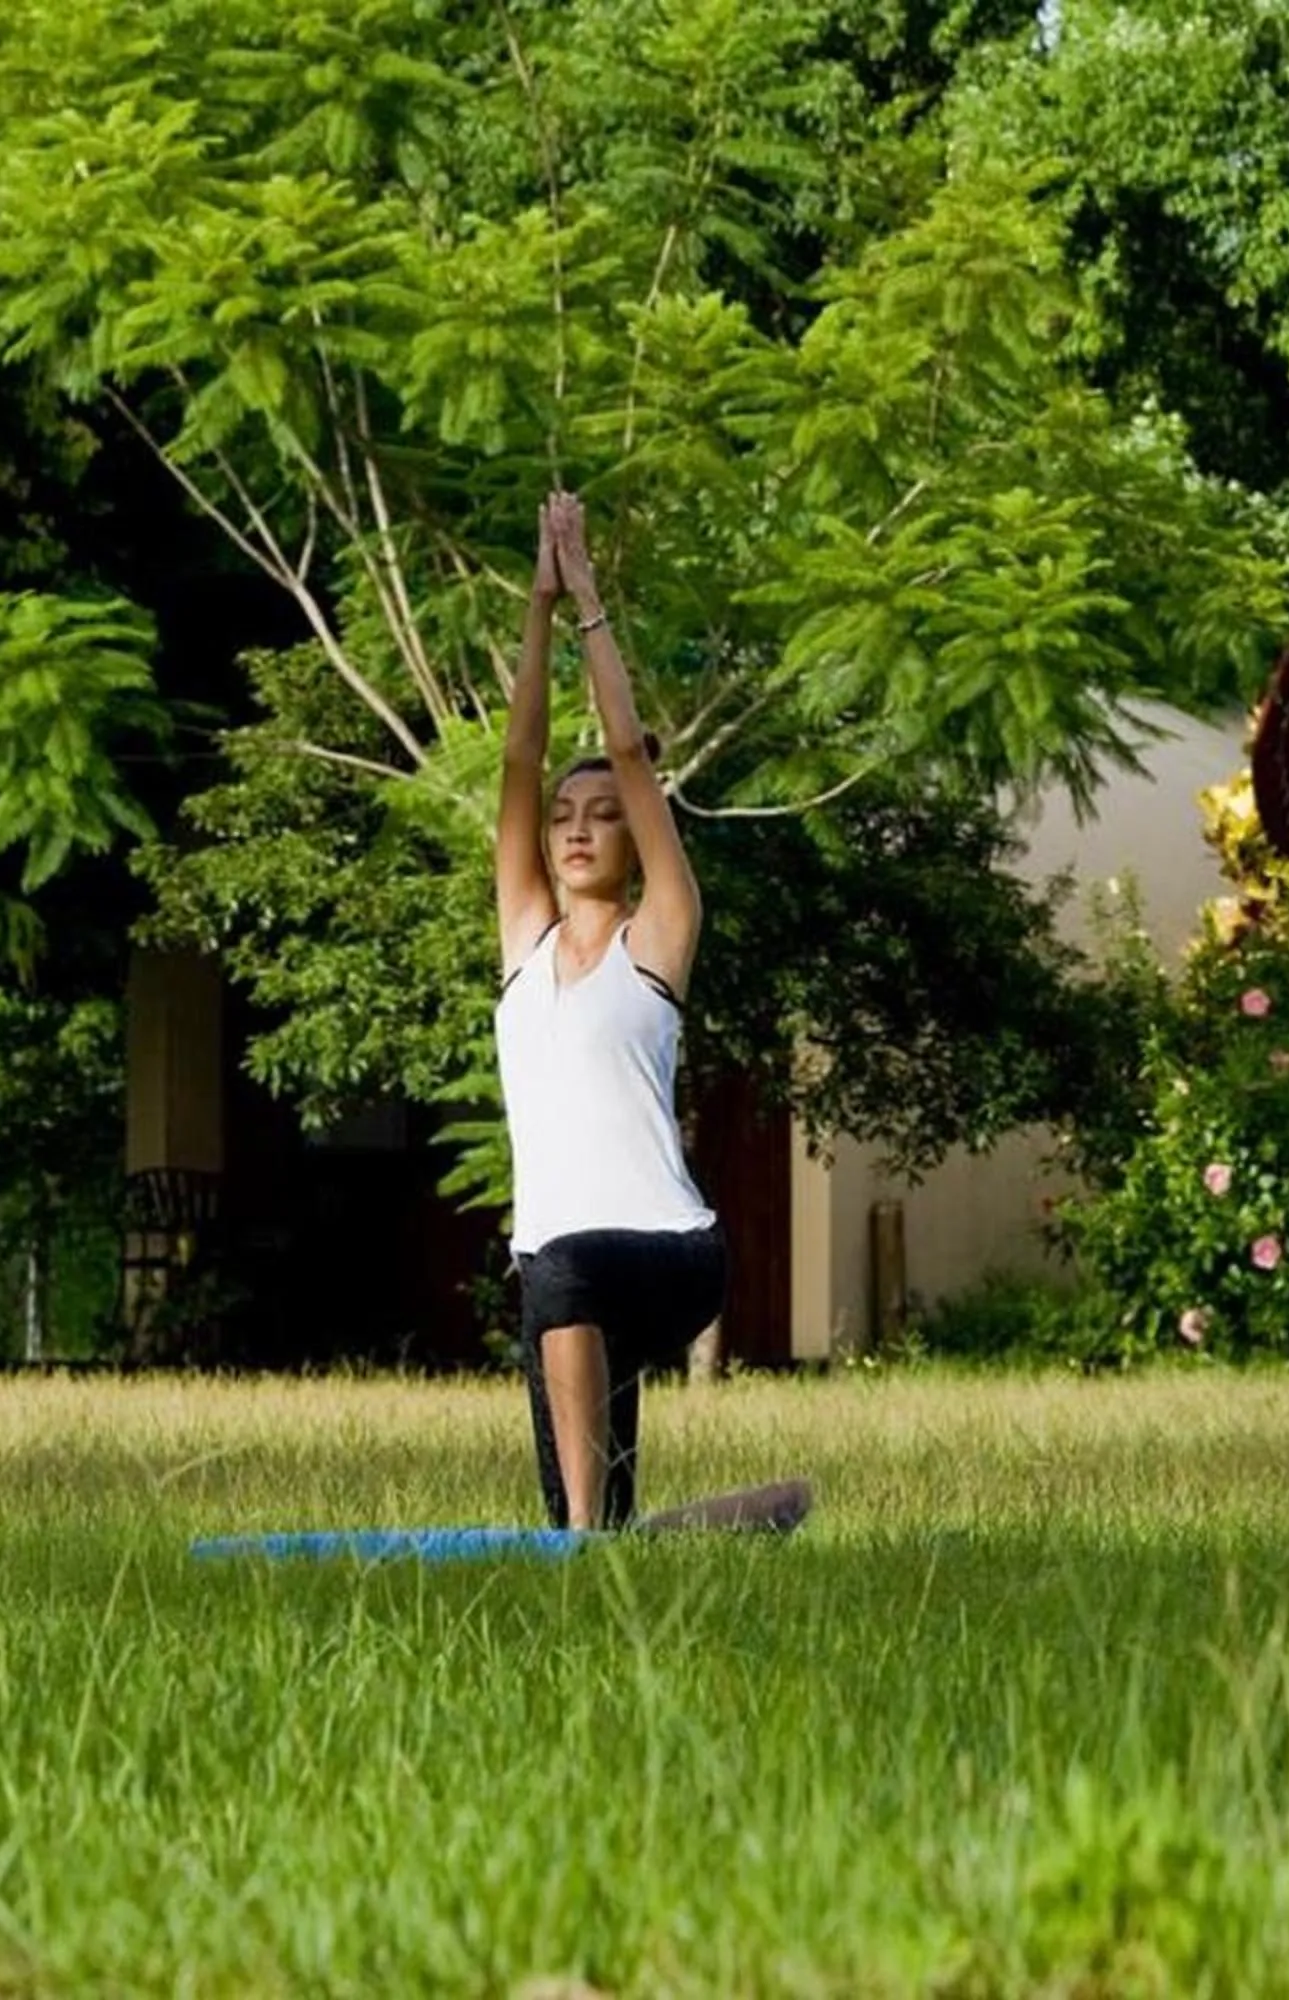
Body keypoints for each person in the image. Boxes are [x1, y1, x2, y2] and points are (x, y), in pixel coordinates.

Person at [492, 490, 723, 1531]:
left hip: (666, 1253)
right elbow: (517, 763)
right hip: (559, 1282)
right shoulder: (527, 945)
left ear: (633, 841)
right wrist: (533, 606)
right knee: (592, 1507)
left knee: (565, 1266)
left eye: (602, 820)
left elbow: (630, 758)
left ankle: (585, 1544)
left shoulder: (657, 937)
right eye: (564, 821)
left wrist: (587, 598)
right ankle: (689, 1529)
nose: (579, 831)